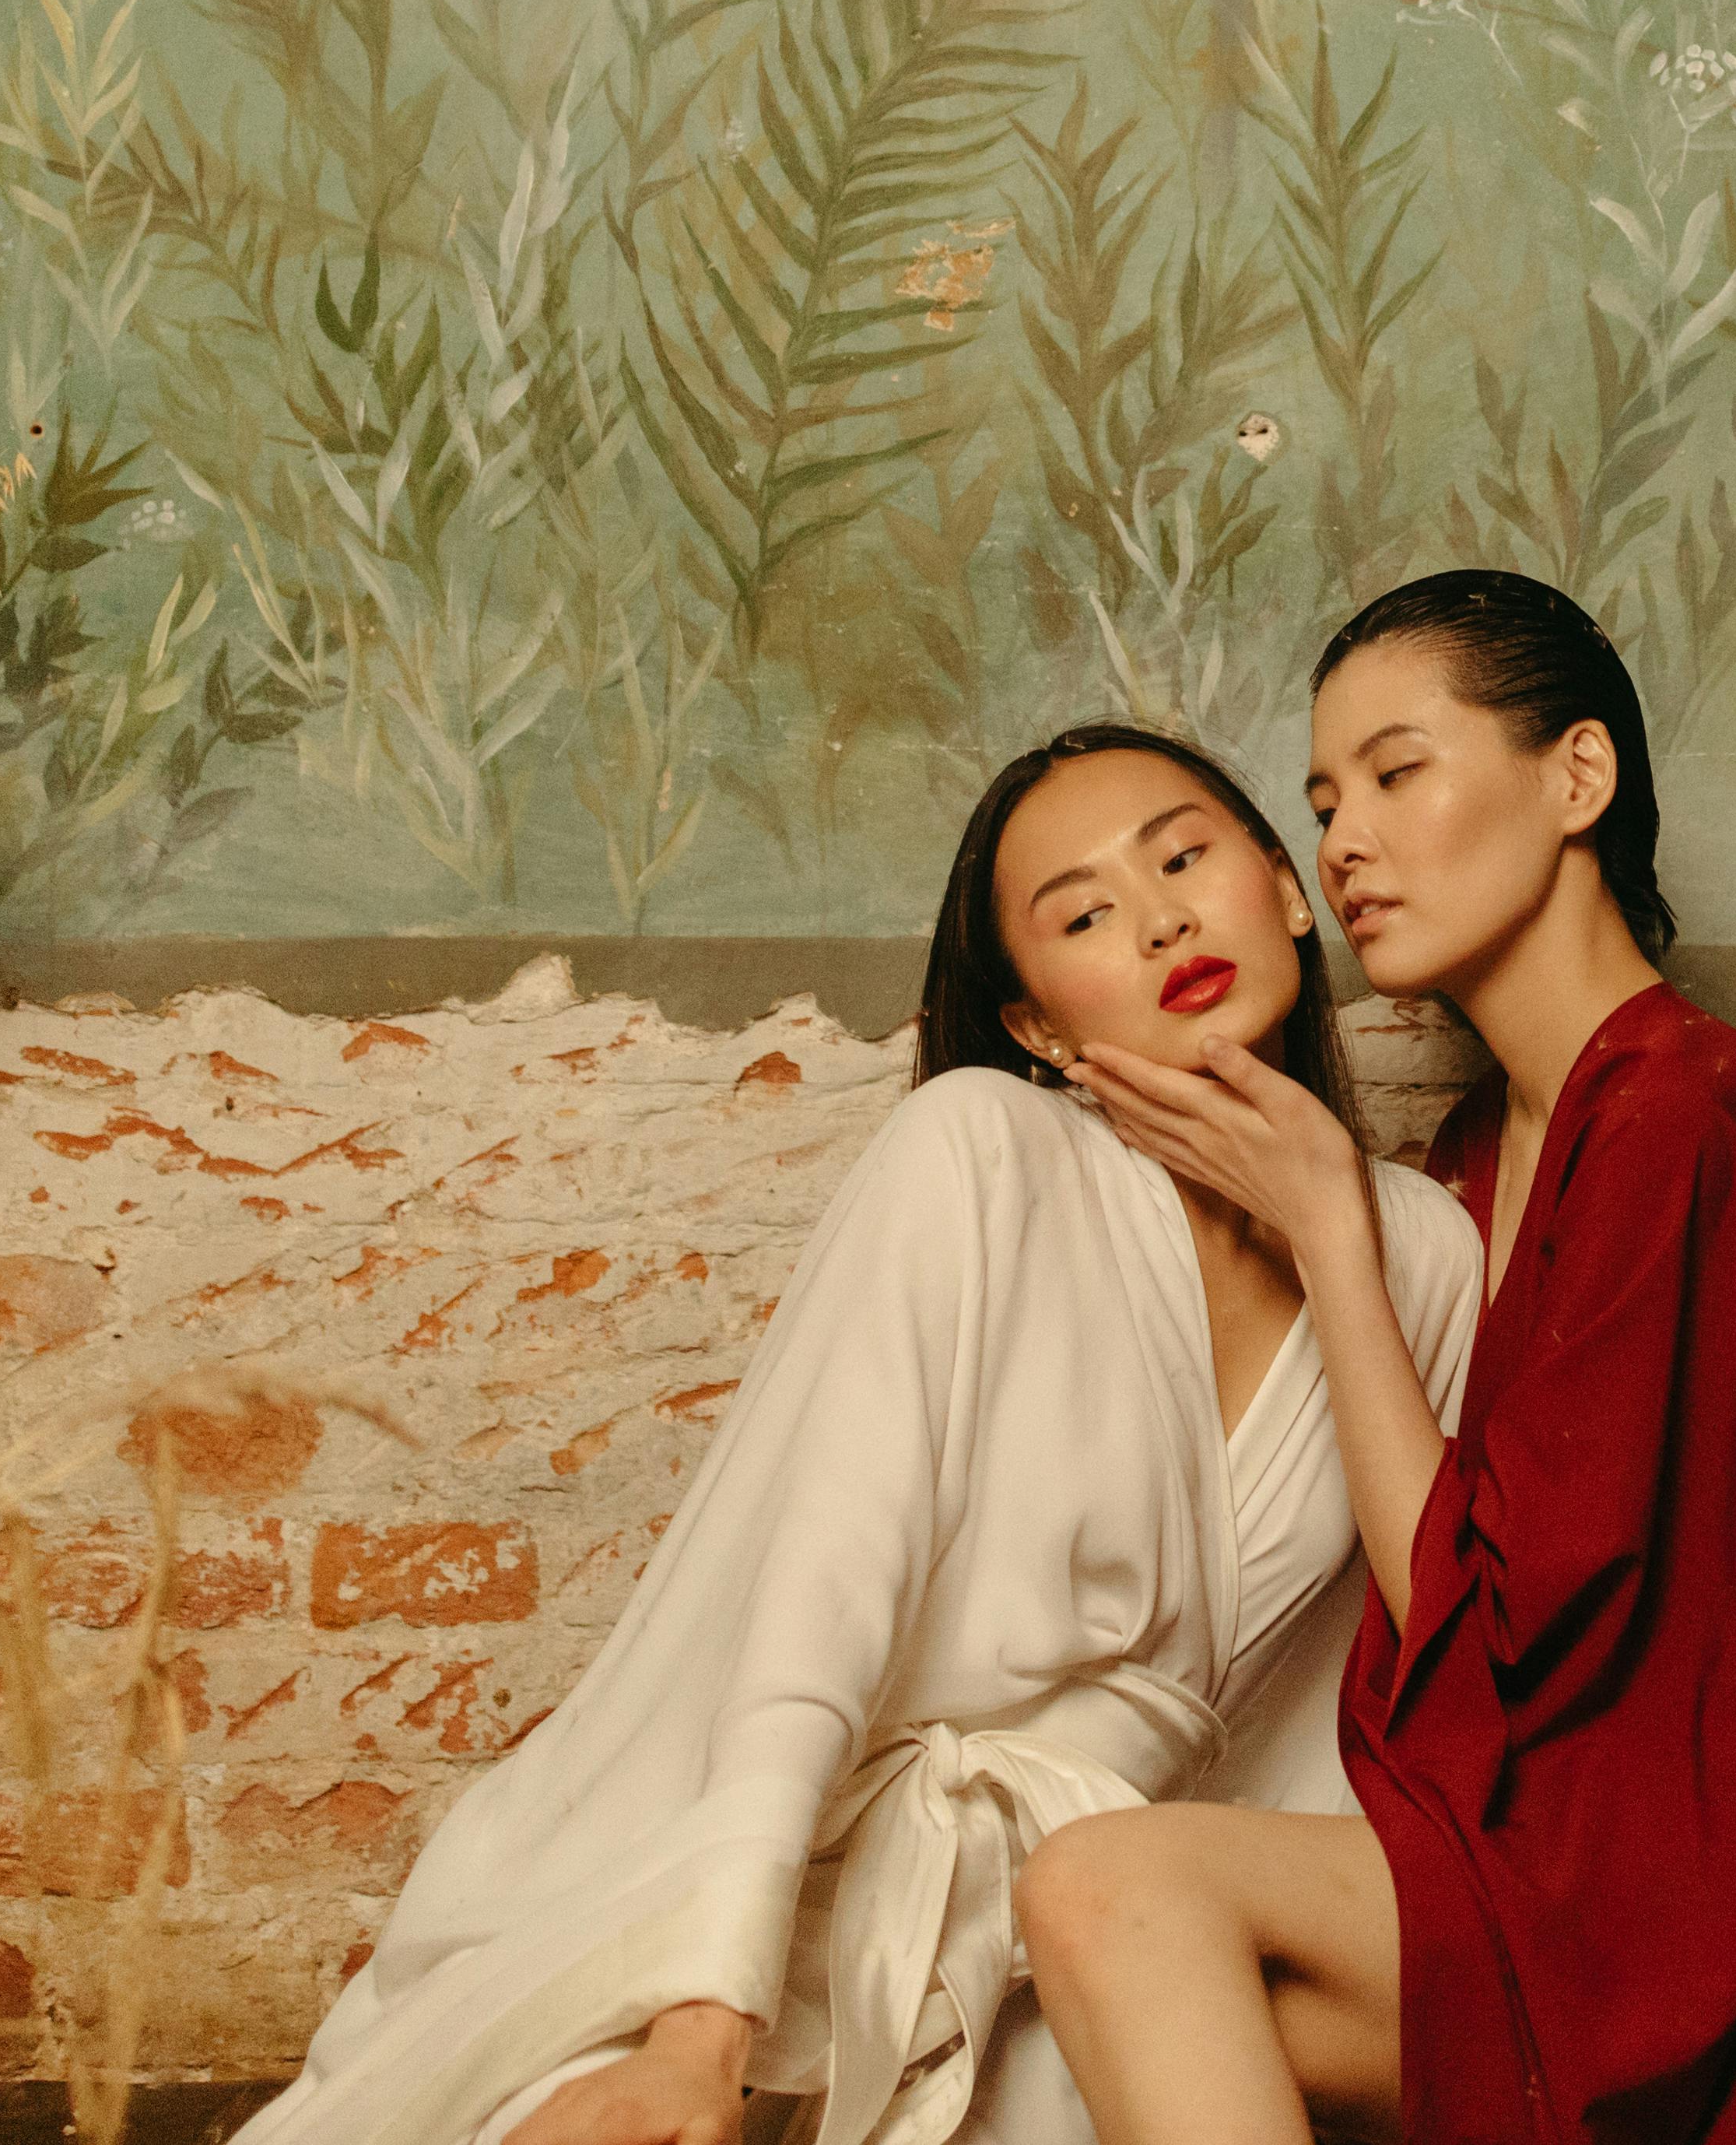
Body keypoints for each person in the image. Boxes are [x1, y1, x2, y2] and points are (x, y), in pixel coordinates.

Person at [233, 725, 1485, 2145]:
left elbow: (1407, 1673)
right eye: (1082, 915)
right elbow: (814, 1602)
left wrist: (1336, 1225)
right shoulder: (978, 1153)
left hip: (1108, 1931)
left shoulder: (1425, 1255)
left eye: (1186, 856)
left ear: (1286, 885)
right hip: (805, 1878)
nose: (1159, 918)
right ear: (1040, 1027)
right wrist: (700, 2025)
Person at [1023, 570, 1736, 2145]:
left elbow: (1526, 1643)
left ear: (1577, 777)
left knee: (1114, 1892)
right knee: (1091, 1961)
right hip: (1567, 1844)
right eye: (1319, 800)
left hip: (1723, 1898)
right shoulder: (1472, 1157)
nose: (1344, 841)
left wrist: (1324, 1229)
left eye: (1395, 770)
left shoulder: (1692, 1122)